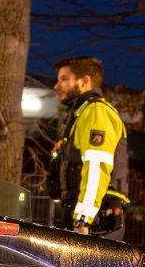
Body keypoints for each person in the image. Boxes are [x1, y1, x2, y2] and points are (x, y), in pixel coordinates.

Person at [50, 56, 129, 239]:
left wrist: (83, 220)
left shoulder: (95, 112)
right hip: (89, 219)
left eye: (64, 79)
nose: (57, 86)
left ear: (85, 81)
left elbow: (96, 168)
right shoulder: (81, 113)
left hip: (95, 223)